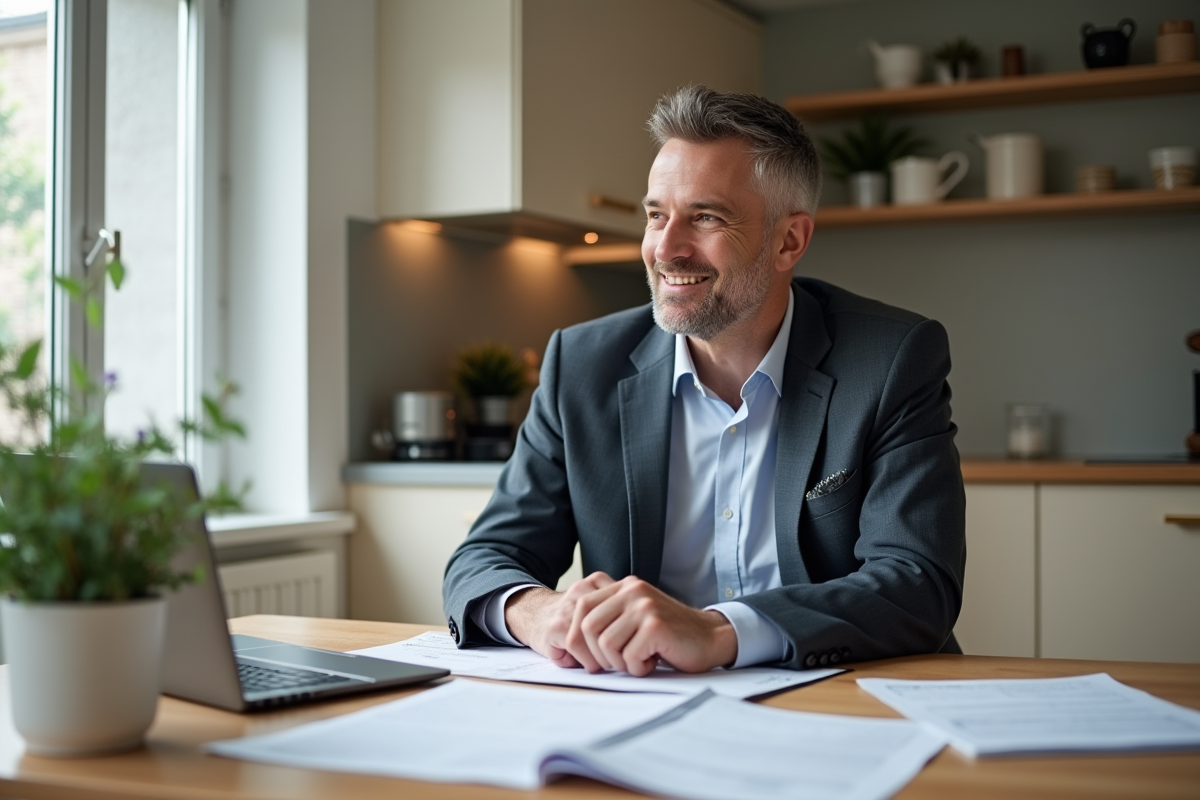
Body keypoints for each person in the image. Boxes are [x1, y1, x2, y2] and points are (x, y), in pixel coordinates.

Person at [442, 85, 965, 675]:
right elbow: (485, 557)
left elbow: (918, 582)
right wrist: (540, 613)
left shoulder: (891, 357)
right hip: (643, 699)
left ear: (789, 240)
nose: (665, 249)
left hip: (840, 695)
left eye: (706, 217)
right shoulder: (582, 364)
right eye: (656, 215)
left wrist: (719, 631)